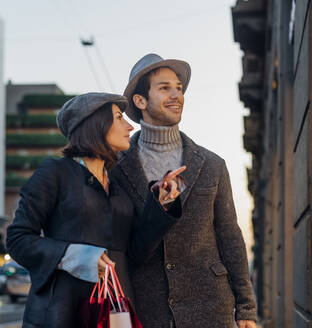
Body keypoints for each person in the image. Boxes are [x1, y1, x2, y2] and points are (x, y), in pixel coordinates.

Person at [6, 92, 185, 328]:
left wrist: (160, 204)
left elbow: (135, 252)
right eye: (119, 117)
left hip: (116, 311)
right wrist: (75, 256)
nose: (130, 127)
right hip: (62, 313)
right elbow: (18, 239)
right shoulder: (54, 173)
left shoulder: (118, 187)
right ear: (94, 124)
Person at [110, 54, 258, 328]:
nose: (177, 94)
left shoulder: (212, 165)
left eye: (179, 87)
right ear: (140, 101)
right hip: (146, 308)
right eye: (165, 88)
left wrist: (246, 308)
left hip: (210, 307)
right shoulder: (116, 166)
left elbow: (229, 235)